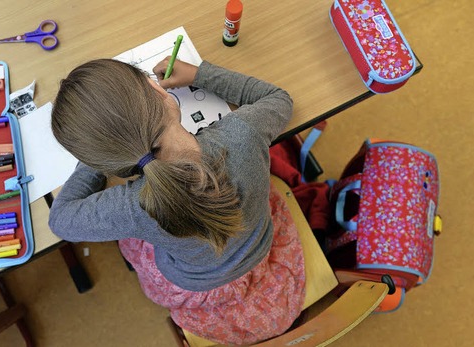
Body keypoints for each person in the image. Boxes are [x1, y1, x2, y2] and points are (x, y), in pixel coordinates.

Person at [49, 57, 305, 345]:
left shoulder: (130, 208)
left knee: (132, 243)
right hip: (258, 245)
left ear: (108, 163)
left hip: (195, 283)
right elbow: (279, 98)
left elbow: (60, 221)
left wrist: (106, 149)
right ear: (159, 92)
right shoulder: (243, 133)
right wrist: (200, 74)